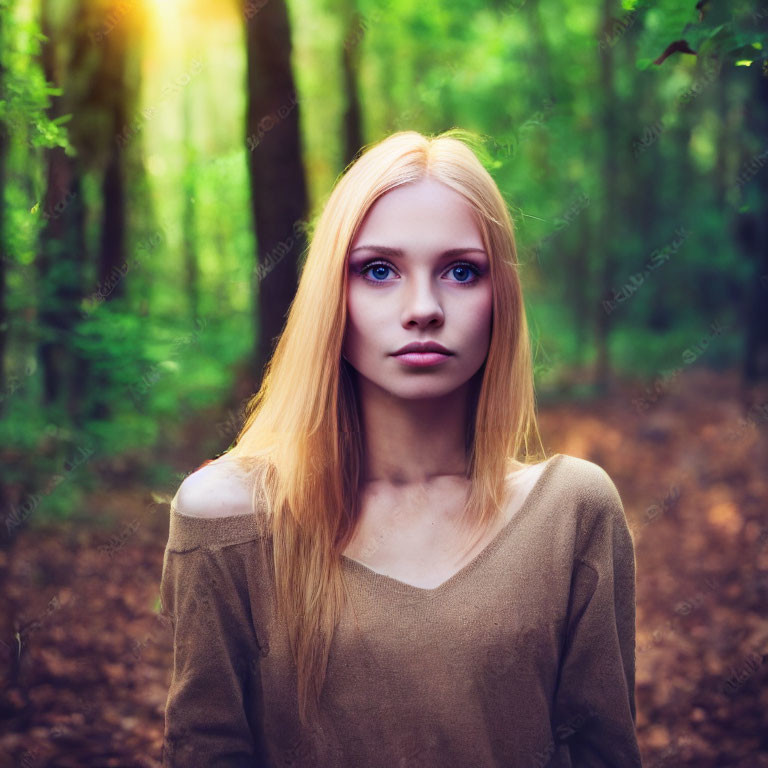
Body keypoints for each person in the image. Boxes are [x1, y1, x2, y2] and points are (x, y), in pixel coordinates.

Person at [159, 129, 643, 767]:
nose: (424, 309)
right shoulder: (228, 519)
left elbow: (603, 754)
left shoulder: (572, 511)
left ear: (502, 298)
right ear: (334, 296)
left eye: (461, 271)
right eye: (379, 270)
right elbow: (204, 751)